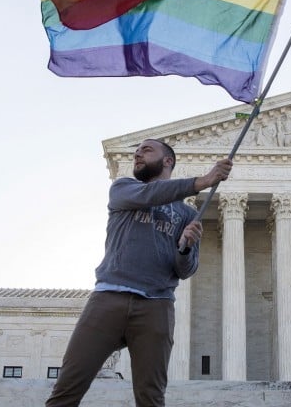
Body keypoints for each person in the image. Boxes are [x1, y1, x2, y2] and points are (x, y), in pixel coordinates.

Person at [46, 138, 233, 407]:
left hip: (156, 306)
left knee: (151, 397)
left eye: (146, 150)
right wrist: (202, 181)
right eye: (136, 152)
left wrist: (185, 248)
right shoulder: (123, 189)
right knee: (67, 388)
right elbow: (151, 194)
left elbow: (185, 271)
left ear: (168, 160)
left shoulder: (187, 214)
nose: (138, 155)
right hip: (108, 300)